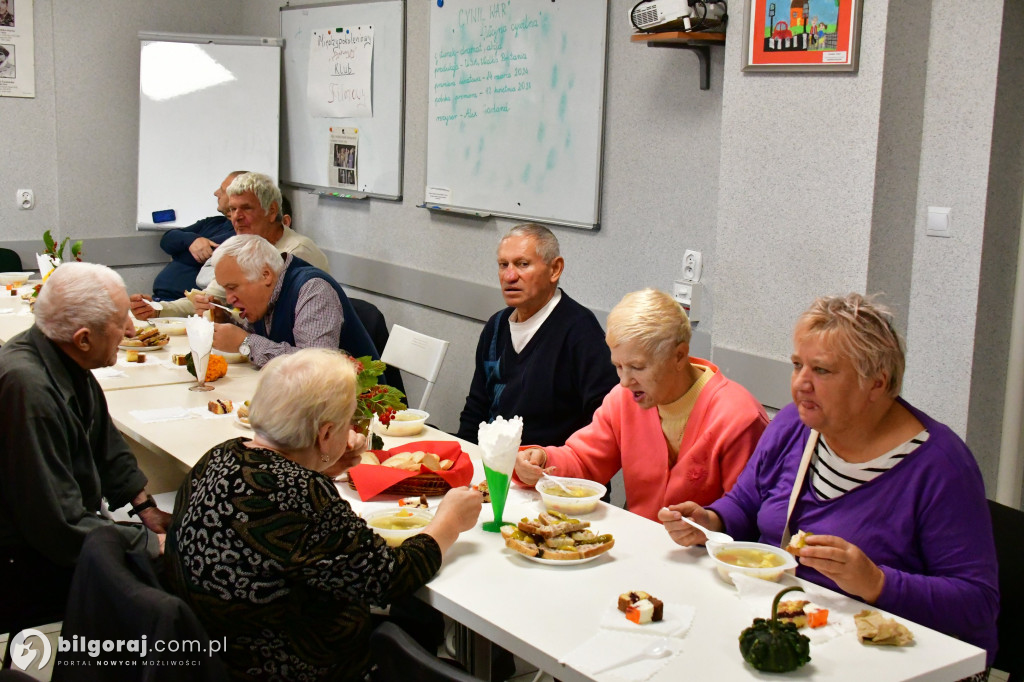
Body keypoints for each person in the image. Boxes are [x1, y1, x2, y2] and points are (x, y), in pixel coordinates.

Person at [660, 293, 999, 666]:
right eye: (797, 365)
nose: (802, 383)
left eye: (821, 371)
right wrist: (710, 521)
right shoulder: (794, 425)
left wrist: (877, 583)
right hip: (792, 633)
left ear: (877, 384)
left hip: (890, 659)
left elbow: (978, 604)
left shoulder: (940, 467)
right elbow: (745, 502)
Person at [166, 348, 482, 680]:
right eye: (347, 423)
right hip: (291, 665)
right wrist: (449, 522)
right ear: (326, 433)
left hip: (215, 654)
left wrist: (324, 462)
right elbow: (389, 578)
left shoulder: (220, 455)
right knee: (419, 625)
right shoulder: (300, 493)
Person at [0, 263, 171, 628]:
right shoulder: (28, 389)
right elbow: (58, 527)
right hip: (22, 563)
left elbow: (105, 444)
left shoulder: (55, 354)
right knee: (172, 586)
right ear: (83, 339)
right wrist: (144, 544)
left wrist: (145, 508)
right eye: (120, 321)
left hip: (52, 534)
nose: (130, 330)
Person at [514, 288, 768, 522]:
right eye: (618, 366)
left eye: (637, 367)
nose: (624, 381)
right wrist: (542, 459)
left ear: (679, 356)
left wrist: (712, 523)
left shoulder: (739, 418)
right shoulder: (624, 399)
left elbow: (749, 516)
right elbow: (584, 461)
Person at [456, 224, 618, 446]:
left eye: (523, 264)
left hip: (552, 473)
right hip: (495, 465)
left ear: (555, 269)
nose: (509, 276)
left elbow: (605, 421)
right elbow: (477, 407)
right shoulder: (496, 326)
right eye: (503, 265)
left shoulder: (580, 331)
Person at [130, 172, 327, 320]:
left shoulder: (297, 252)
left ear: (271, 210)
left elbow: (277, 321)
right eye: (232, 209)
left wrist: (226, 317)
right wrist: (156, 310)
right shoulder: (241, 249)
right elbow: (208, 299)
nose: (237, 217)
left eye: (246, 208)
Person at [209, 234, 377, 368]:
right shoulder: (264, 296)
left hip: (358, 405)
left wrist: (245, 343)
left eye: (233, 287)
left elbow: (315, 366)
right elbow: (263, 338)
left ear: (265, 275)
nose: (229, 298)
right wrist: (226, 321)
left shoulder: (313, 289)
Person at [151, 170, 244, 300]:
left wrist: (181, 247)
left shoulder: (241, 233)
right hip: (160, 298)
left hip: (189, 307)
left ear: (235, 197)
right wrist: (191, 240)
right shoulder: (213, 222)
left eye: (222, 191)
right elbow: (167, 240)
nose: (216, 193)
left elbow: (191, 256)